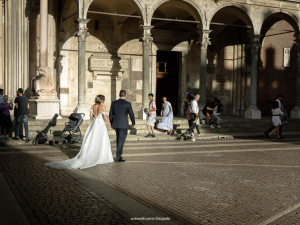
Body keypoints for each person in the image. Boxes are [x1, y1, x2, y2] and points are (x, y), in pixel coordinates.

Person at [45, 95, 114, 169]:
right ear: (102, 100)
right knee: (101, 139)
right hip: (100, 124)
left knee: (93, 138)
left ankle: (92, 152)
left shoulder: (93, 106)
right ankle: (100, 154)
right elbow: (105, 117)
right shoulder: (103, 107)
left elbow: (91, 115)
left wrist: (96, 115)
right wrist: (110, 124)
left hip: (94, 123)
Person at [109, 90, 135, 162]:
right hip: (123, 125)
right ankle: (118, 157)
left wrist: (112, 123)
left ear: (119, 95)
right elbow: (131, 114)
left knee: (118, 139)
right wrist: (133, 123)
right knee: (121, 140)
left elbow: (111, 114)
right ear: (125, 95)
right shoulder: (128, 104)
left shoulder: (114, 103)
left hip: (116, 124)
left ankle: (118, 155)